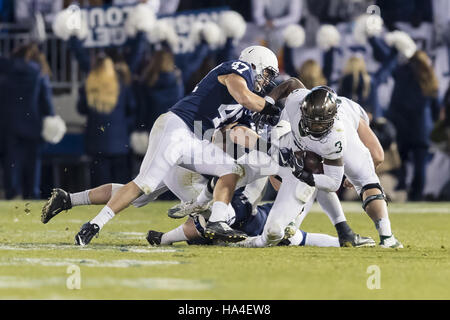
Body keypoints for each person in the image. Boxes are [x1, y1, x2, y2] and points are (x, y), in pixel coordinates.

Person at [65, 45, 285, 246]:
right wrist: (270, 108)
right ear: (254, 63)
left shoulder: (247, 105)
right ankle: (93, 225)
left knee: (230, 169)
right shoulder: (239, 68)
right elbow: (243, 96)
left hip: (194, 140)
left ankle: (218, 222)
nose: (266, 81)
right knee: (144, 185)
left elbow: (239, 133)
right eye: (267, 73)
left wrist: (272, 149)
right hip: (176, 127)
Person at [0, 43, 61, 199]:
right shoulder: (39, 72)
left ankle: (11, 193)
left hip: (9, 124)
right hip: (33, 124)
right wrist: (51, 117)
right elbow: (46, 101)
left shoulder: (6, 69)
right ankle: (32, 194)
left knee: (11, 161)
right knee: (33, 163)